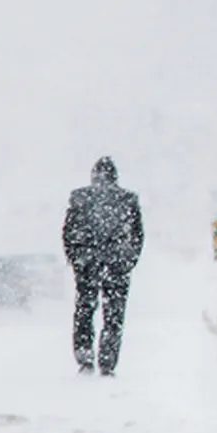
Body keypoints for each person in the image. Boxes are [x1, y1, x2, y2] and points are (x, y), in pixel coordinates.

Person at [62, 157, 144, 376]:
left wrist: (75, 258)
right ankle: (107, 362)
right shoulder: (128, 199)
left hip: (87, 264)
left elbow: (68, 232)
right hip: (117, 265)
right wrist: (129, 260)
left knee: (84, 310)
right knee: (114, 315)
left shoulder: (80, 198)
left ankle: (84, 356)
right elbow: (137, 235)